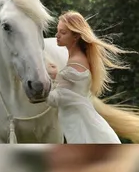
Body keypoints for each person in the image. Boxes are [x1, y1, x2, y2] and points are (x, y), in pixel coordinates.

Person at [46, 11, 139, 144]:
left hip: (80, 128)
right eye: (57, 31)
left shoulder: (74, 64)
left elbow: (54, 99)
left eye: (63, 32)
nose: (57, 35)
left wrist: (49, 79)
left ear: (75, 36)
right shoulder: (76, 60)